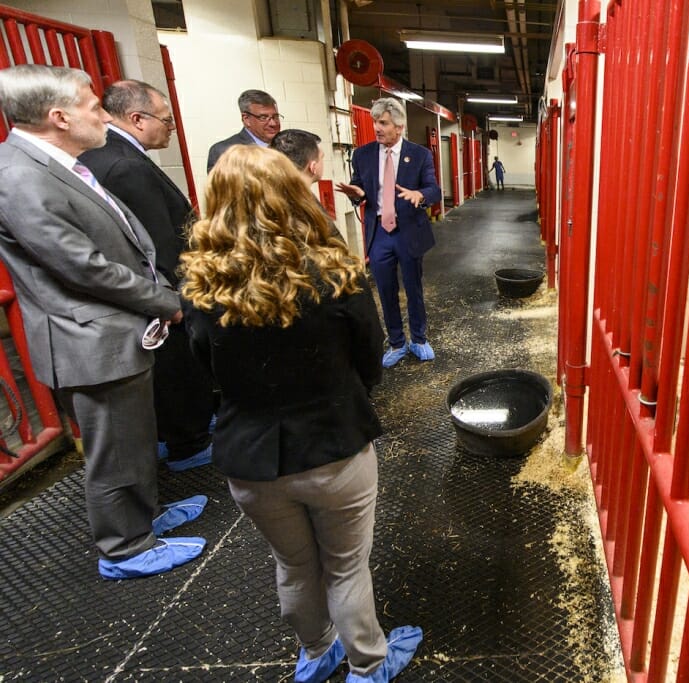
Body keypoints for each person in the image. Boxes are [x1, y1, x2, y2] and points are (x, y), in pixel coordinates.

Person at [179, 145, 423, 683]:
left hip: (250, 457)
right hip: (334, 444)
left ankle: (316, 651)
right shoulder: (333, 272)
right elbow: (370, 356)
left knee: (292, 564)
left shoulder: (201, 285)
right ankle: (368, 663)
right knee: (345, 566)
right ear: (295, 193)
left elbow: (205, 370)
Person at [0, 64, 206, 579]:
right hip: (87, 338)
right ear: (59, 117)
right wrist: (167, 301)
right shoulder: (19, 177)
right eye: (93, 107)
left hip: (114, 331)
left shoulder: (62, 162)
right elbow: (83, 267)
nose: (102, 115)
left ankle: (147, 517)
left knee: (134, 440)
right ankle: (125, 547)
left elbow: (119, 237)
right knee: (114, 451)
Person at [79, 79, 218, 472]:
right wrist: (178, 296)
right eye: (166, 120)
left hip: (142, 296)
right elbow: (159, 243)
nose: (171, 127)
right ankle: (188, 443)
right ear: (137, 119)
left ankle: (181, 433)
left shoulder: (111, 157)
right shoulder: (123, 166)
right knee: (176, 363)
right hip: (162, 292)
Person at [335, 97, 442, 368]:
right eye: (375, 122)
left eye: (383, 123)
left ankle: (418, 339)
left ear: (400, 126)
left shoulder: (419, 155)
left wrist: (420, 194)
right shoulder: (363, 154)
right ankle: (396, 342)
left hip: (408, 231)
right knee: (384, 289)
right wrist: (357, 194)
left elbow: (434, 189)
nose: (377, 128)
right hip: (379, 232)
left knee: (413, 287)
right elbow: (358, 186)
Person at [206, 89, 281, 172]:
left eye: (275, 117)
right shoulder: (224, 151)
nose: (273, 123)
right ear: (246, 119)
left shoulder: (289, 145)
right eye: (263, 118)